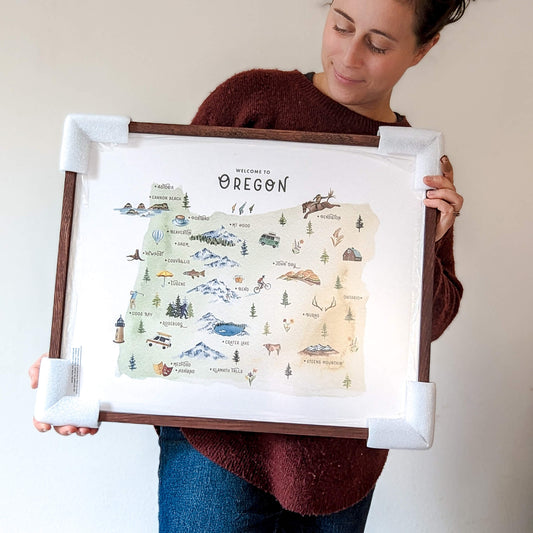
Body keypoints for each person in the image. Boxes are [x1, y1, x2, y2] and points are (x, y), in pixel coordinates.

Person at [30, 0, 470, 530]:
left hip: (339, 461)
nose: (348, 56)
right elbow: (165, 237)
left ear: (424, 48)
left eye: (377, 44)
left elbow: (425, 331)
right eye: (340, 25)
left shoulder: (413, 170)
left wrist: (427, 240)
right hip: (217, 448)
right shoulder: (251, 98)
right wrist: (82, 365)